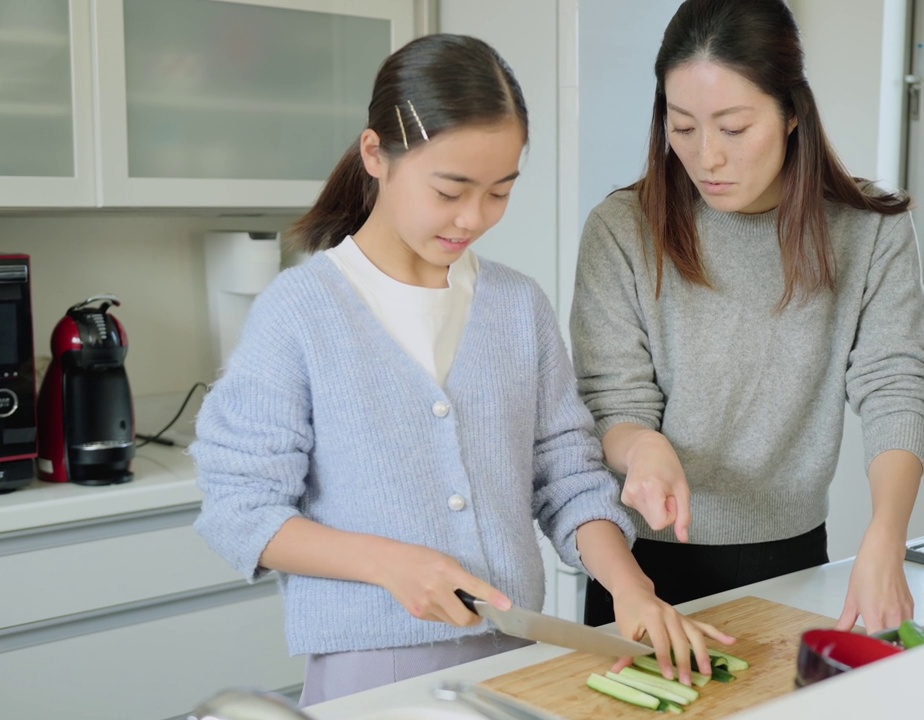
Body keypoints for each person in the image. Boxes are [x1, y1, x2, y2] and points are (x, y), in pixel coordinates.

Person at [190, 33, 731, 708]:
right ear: (374, 156)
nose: (474, 218)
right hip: (372, 665)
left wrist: (630, 587)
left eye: (500, 191)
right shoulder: (298, 313)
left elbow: (566, 474)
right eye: (450, 190)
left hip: (515, 657)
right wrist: (389, 564)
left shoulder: (516, 305)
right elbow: (240, 508)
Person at [570, 0, 924, 634]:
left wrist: (887, 536)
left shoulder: (868, 230)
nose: (706, 156)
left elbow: (894, 384)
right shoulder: (622, 230)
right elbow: (612, 402)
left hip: (793, 559)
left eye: (733, 128)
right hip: (642, 572)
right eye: (682, 128)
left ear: (792, 113)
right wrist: (643, 446)